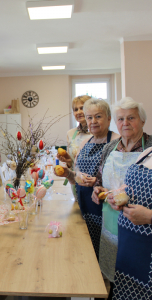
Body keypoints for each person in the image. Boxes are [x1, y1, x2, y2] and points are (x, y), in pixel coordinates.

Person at [92, 97, 152, 297]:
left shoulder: (150, 147)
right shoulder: (110, 148)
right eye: (120, 119)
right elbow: (100, 179)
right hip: (110, 222)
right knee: (115, 276)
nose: (125, 123)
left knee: (138, 282)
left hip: (142, 229)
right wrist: (98, 191)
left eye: (131, 118)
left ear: (142, 121)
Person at [57, 98, 119, 259]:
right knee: (86, 251)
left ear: (109, 118)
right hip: (84, 205)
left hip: (106, 208)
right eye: (89, 117)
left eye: (98, 116)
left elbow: (122, 182)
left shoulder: (117, 142)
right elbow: (76, 175)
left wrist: (99, 183)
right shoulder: (85, 142)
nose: (93, 121)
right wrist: (68, 174)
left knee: (107, 252)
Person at [107, 147, 152, 299]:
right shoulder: (148, 153)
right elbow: (134, 190)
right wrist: (117, 197)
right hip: (128, 248)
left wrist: (150, 216)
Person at [57, 95, 92, 200]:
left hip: (93, 182)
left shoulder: (97, 133)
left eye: (82, 108)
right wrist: (68, 161)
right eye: (75, 109)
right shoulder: (70, 133)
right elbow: (71, 162)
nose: (79, 112)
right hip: (75, 180)